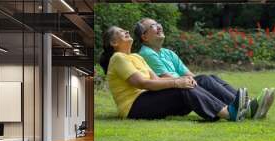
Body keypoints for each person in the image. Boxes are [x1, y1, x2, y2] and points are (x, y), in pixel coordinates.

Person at [99, 26, 249, 122]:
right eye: (120, 32)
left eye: (125, 30)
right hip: (133, 106)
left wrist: (183, 80)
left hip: (148, 98)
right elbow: (143, 83)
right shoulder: (118, 58)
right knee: (182, 88)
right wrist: (177, 82)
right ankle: (229, 113)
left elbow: (156, 79)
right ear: (113, 43)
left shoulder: (137, 57)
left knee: (199, 80)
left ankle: (240, 107)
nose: (126, 32)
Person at [134, 18, 275, 119]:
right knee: (203, 79)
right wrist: (196, 83)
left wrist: (201, 85)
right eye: (153, 26)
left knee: (209, 78)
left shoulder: (168, 53)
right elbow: (165, 79)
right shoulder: (146, 53)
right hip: (172, 94)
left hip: (184, 88)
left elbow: (189, 74)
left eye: (158, 23)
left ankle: (246, 105)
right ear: (144, 36)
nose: (159, 26)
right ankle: (246, 108)